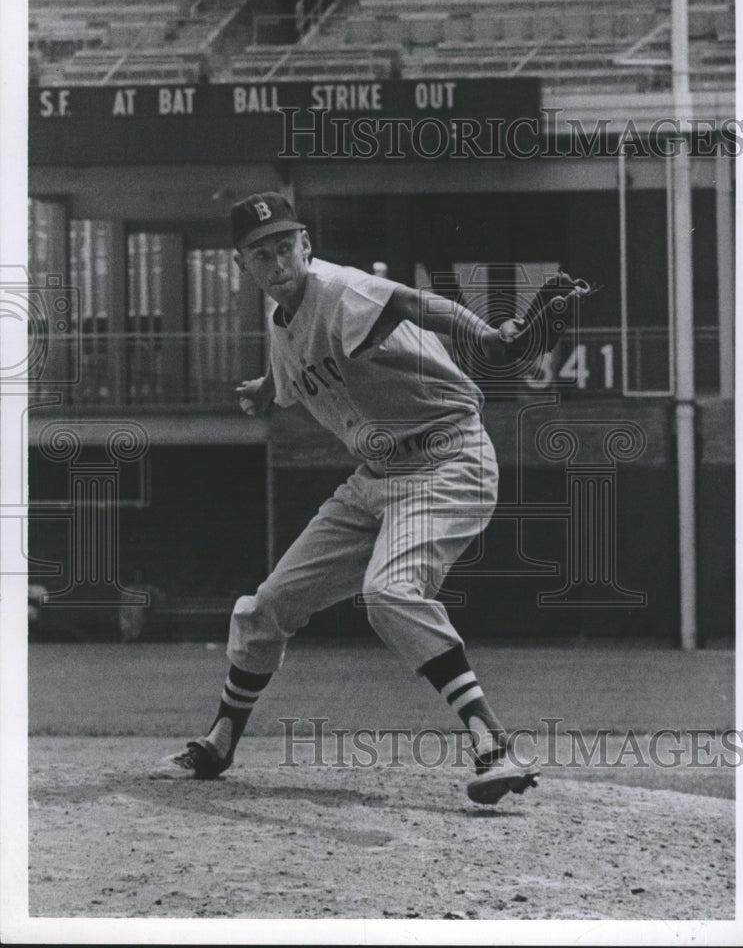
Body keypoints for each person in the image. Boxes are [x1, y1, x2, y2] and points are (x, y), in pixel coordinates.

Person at [155, 191, 537, 804]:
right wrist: (264, 388)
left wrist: (484, 333)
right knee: (266, 607)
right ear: (242, 266)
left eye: (286, 245)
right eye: (262, 253)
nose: (278, 261)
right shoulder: (283, 320)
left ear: (305, 244)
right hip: (376, 480)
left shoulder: (339, 289)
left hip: (447, 460)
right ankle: (221, 741)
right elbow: (296, 365)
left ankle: (495, 746)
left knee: (390, 593)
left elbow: (414, 304)